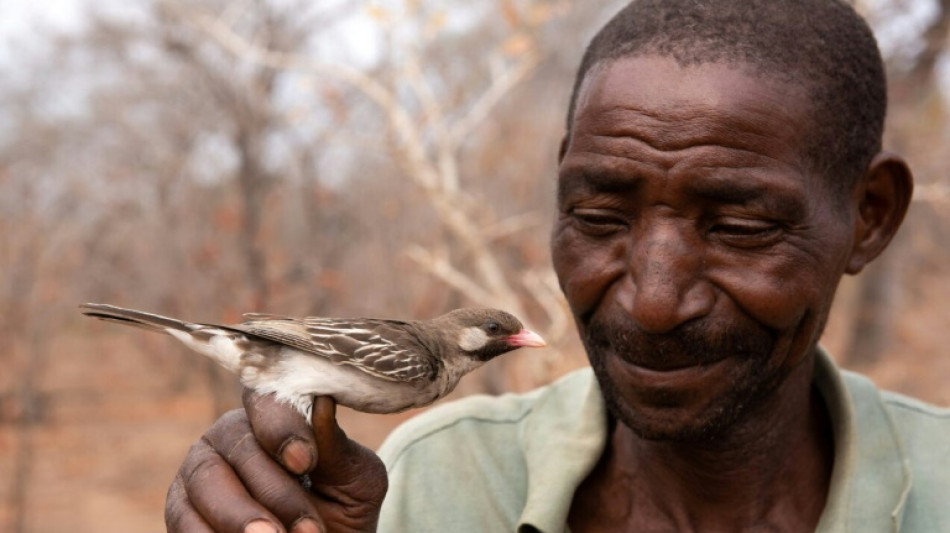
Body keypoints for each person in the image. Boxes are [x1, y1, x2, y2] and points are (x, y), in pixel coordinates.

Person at [164, 0, 950, 531]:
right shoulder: (425, 485)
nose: (651, 301)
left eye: (740, 226)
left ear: (870, 214)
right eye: (598, 217)